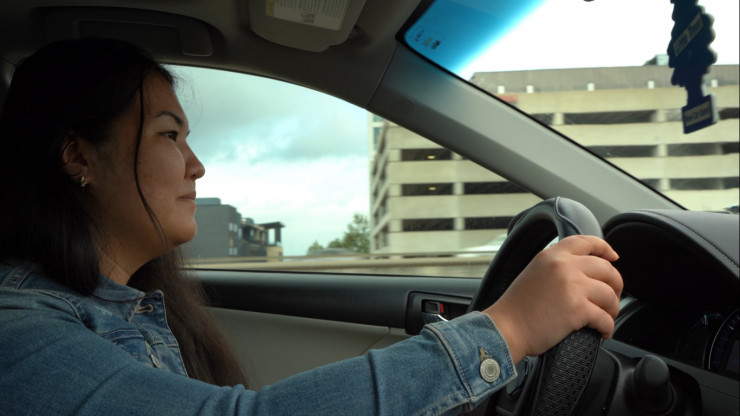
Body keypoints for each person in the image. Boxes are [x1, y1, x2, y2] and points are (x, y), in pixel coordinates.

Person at [0, 38, 623, 415]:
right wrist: (507, 330)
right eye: (169, 135)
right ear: (77, 155)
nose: (196, 165)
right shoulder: (19, 332)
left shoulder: (122, 307)